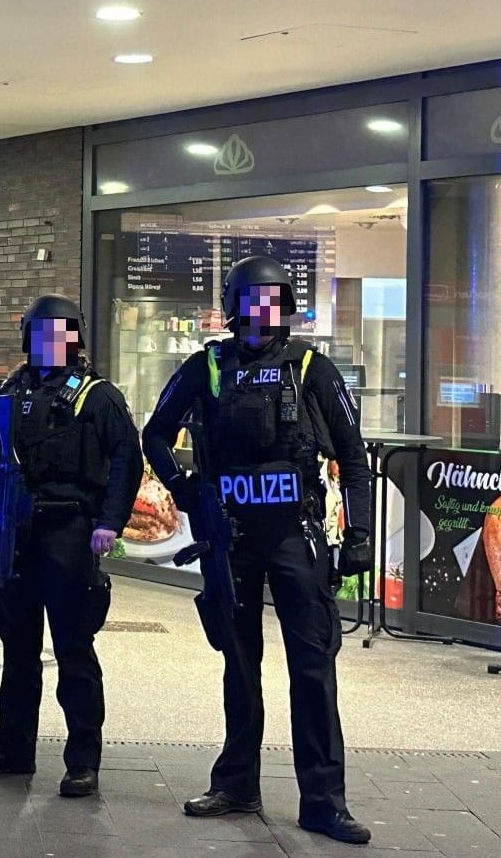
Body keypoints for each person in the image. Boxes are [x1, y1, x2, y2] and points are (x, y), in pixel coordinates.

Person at [141, 256, 375, 846]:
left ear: (286, 304)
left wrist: (361, 536)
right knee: (239, 666)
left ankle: (324, 800)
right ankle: (237, 783)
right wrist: (189, 494)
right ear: (232, 304)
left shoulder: (313, 369)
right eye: (251, 298)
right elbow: (154, 435)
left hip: (296, 537)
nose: (261, 310)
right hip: (230, 539)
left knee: (313, 669)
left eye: (271, 298)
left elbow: (353, 455)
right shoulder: (207, 366)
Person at [0, 294, 141, 798]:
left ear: (74, 338)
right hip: (15, 533)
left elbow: (127, 456)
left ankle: (83, 761)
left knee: (74, 649)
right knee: (17, 647)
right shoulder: (9, 389)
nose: (49, 345)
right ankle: (13, 749)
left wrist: (110, 522)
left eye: (59, 334)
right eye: (40, 335)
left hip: (70, 532)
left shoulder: (97, 396)